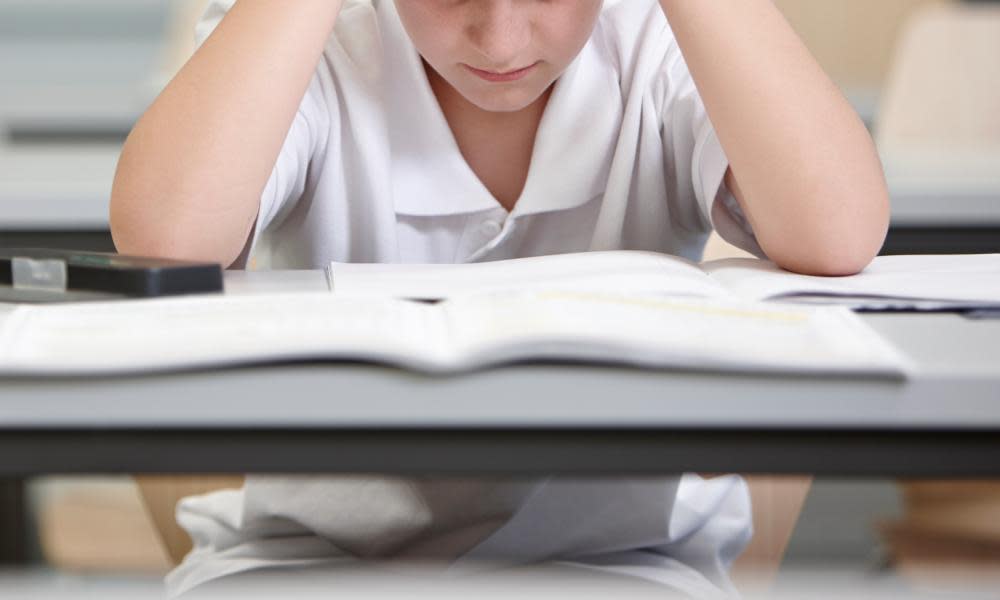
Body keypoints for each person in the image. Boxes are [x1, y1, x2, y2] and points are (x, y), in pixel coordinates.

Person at [110, 0, 890, 597]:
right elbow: (168, 239)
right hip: (309, 560)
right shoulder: (319, 35)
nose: (502, 40)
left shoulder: (654, 40)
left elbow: (836, 233)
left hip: (622, 562)